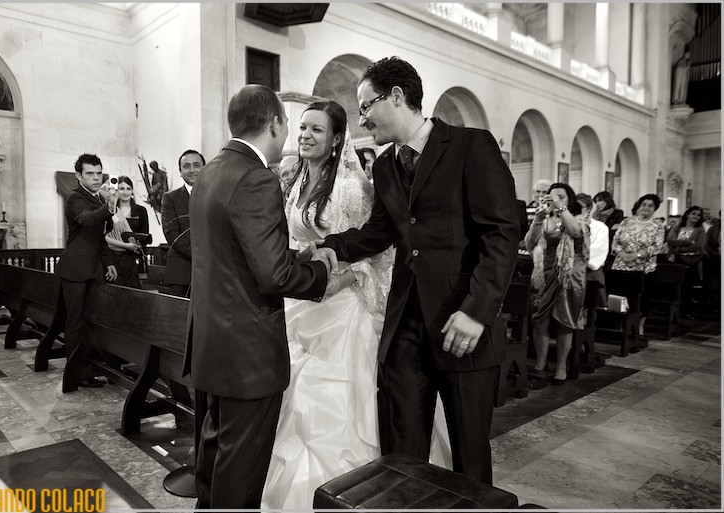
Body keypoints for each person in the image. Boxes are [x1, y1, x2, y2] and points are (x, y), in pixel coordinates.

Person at [313, 57, 520, 484]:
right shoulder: (386, 165)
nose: (363, 118)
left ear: (397, 96)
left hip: (460, 321)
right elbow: (380, 232)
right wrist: (329, 245)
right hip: (406, 323)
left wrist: (477, 311)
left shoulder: (470, 145)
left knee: (469, 454)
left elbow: (501, 235)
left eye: (366, 106)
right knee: (402, 447)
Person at [182, 84, 334, 509]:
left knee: (215, 454)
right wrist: (321, 274)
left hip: (212, 343)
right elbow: (273, 275)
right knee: (243, 472)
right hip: (246, 352)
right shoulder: (256, 177)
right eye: (288, 122)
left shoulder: (211, 170)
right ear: (274, 123)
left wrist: (297, 253)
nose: (290, 132)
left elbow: (239, 250)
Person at [261, 101, 394, 508]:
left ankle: (341, 491)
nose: (305, 135)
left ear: (338, 139)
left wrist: (344, 279)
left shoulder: (352, 187)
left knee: (324, 400)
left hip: (340, 308)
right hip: (299, 296)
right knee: (288, 390)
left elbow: (377, 251)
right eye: (302, 127)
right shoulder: (294, 178)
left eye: (317, 130)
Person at [55, 153, 118, 393]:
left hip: (94, 268)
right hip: (75, 269)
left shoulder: (96, 197)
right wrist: (108, 207)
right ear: (79, 176)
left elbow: (101, 234)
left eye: (98, 173)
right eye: (90, 173)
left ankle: (89, 371)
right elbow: (87, 220)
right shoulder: (75, 198)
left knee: (91, 323)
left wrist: (109, 262)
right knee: (75, 324)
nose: (95, 177)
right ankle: (74, 377)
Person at [525, 183, 588, 385]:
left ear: (569, 199)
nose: (554, 199)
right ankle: (540, 364)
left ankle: (561, 366)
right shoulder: (544, 219)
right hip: (543, 273)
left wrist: (561, 208)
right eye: (551, 196)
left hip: (568, 276)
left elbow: (576, 232)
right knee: (539, 320)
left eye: (561, 196)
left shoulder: (579, 219)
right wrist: (539, 219)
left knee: (564, 321)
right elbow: (529, 243)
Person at [611, 194, 665, 335]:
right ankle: (622, 324)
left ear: (655, 209)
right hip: (621, 265)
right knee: (621, 296)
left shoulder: (657, 226)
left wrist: (636, 255)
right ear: (639, 206)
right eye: (644, 204)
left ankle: (639, 327)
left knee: (642, 298)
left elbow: (656, 247)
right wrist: (622, 254)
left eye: (650, 205)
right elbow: (615, 241)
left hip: (644, 268)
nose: (646, 208)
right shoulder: (626, 222)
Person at [161, 149, 204, 297]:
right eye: (186, 166)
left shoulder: (216, 196)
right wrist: (201, 255)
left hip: (212, 271)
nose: (192, 170)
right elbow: (171, 234)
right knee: (179, 318)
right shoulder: (170, 198)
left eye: (196, 165)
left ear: (205, 168)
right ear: (180, 171)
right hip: (181, 271)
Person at [104, 175, 149, 288]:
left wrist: (137, 246)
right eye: (121, 188)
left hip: (132, 256)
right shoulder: (111, 209)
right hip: (112, 255)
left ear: (132, 191)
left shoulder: (141, 211)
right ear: (116, 190)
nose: (125, 192)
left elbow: (144, 234)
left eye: (128, 189)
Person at [667, 205, 707, 317]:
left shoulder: (700, 229)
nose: (696, 216)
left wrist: (679, 247)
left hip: (691, 261)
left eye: (699, 215)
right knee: (674, 286)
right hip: (676, 259)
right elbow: (670, 240)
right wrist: (689, 242)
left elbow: (699, 246)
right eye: (694, 214)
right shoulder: (678, 226)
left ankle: (685, 311)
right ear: (688, 214)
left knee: (687, 287)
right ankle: (673, 312)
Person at [577, 193, 609, 306]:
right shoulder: (567, 225)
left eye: (579, 207)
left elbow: (596, 253)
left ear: (589, 208)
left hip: (589, 273)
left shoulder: (600, 228)